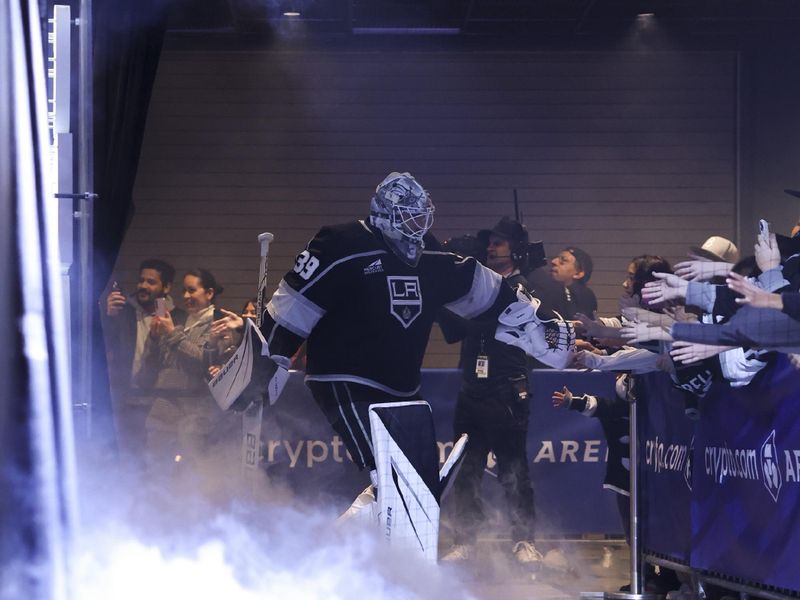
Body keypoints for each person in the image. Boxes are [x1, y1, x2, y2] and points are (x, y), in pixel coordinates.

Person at [256, 172, 574, 524]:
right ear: (385, 213)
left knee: (414, 484)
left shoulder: (429, 253)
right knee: (391, 476)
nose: (418, 223)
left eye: (422, 214)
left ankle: (377, 555)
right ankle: (338, 555)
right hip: (343, 377)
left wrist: (536, 319)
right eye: (409, 214)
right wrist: (268, 356)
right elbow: (293, 303)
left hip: (402, 385)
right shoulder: (341, 242)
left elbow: (477, 283)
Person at [438, 217, 542, 565]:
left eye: (499, 243)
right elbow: (455, 330)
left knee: (514, 468)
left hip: (507, 389)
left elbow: (484, 320)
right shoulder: (477, 285)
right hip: (472, 387)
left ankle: (524, 540)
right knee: (466, 469)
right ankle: (465, 539)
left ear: (516, 250)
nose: (491, 247)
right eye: (490, 242)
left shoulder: (521, 288)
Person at [139, 268, 234, 475]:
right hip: (163, 410)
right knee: (156, 475)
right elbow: (151, 367)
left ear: (209, 293)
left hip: (195, 414)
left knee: (193, 476)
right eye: (184, 291)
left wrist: (173, 334)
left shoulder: (219, 324)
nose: (186, 296)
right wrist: (155, 339)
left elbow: (202, 362)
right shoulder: (178, 318)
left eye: (192, 290)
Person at [102, 258, 183, 469]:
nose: (144, 286)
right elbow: (102, 348)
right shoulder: (123, 312)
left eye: (151, 282)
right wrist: (108, 316)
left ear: (166, 287)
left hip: (161, 404)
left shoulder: (177, 318)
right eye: (141, 281)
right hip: (126, 401)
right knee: (126, 460)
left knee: (158, 465)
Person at [548, 247, 597, 320]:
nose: (553, 261)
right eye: (555, 258)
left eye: (563, 261)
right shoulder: (542, 288)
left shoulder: (585, 296)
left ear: (578, 273)